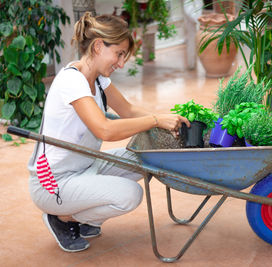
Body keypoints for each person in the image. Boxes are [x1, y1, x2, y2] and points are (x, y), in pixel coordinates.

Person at [27, 12, 190, 253]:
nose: (121, 63)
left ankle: (85, 217)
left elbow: (128, 109)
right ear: (98, 46)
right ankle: (63, 218)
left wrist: (165, 121)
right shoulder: (72, 81)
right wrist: (154, 120)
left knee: (145, 157)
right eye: (119, 54)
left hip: (85, 168)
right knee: (130, 195)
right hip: (53, 184)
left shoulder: (99, 79)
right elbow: (105, 129)